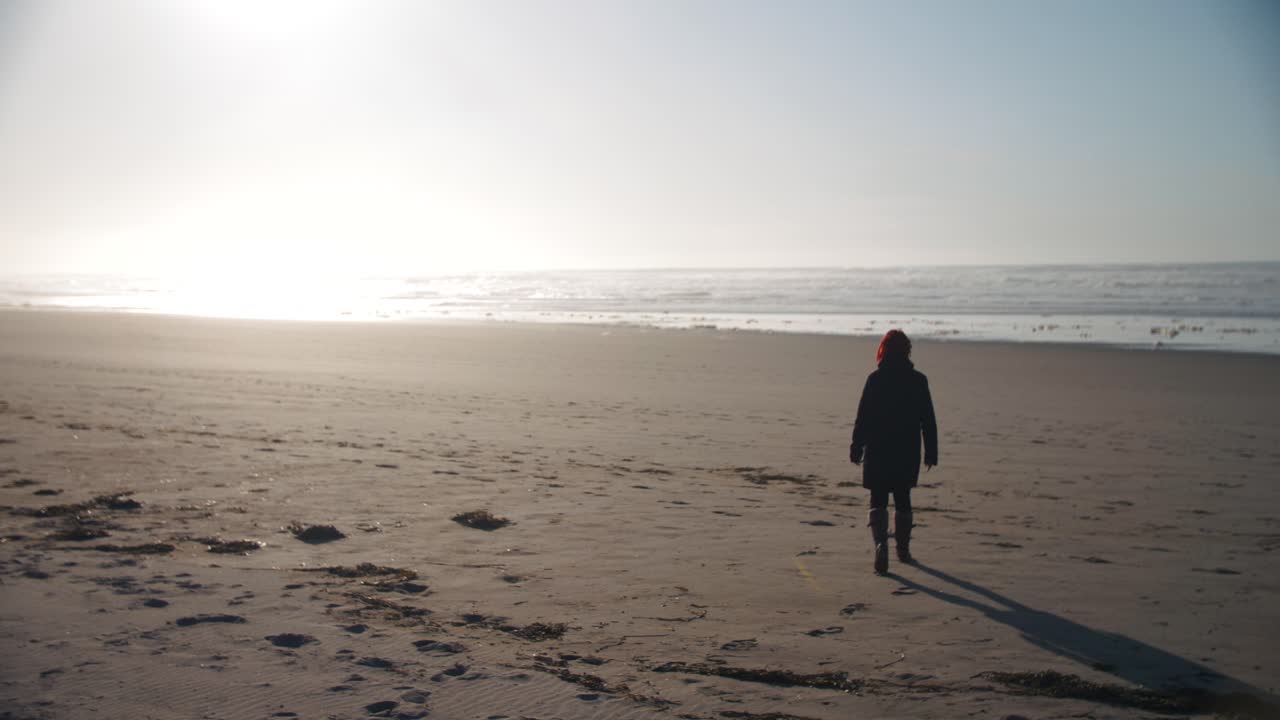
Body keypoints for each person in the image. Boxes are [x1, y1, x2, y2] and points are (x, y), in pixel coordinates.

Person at [850, 329, 938, 575]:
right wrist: (931, 452)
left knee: (878, 498)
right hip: (906, 450)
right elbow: (928, 420)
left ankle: (881, 544)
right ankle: (903, 549)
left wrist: (856, 446)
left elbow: (863, 417)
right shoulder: (918, 381)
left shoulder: (875, 379)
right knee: (903, 499)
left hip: (878, 448)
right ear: (907, 351)